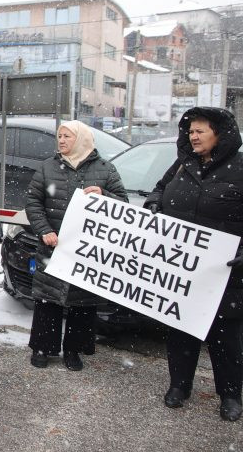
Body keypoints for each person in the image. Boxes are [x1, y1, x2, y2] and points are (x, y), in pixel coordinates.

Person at [144, 107, 243, 422]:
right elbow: (158, 190)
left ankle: (230, 395)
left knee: (224, 337)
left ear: (220, 133)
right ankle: (179, 386)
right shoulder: (181, 165)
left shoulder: (241, 168)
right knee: (181, 331)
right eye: (190, 131)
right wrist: (154, 204)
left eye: (200, 130)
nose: (193, 136)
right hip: (183, 273)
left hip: (226, 274)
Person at [24, 120, 127, 371]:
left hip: (86, 251)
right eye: (59, 136)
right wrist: (44, 230)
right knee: (48, 298)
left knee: (82, 302)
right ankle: (43, 347)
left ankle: (73, 349)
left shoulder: (105, 169)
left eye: (67, 136)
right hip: (53, 245)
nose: (61, 141)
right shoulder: (48, 167)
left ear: (81, 139)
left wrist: (104, 195)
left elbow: (123, 204)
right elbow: (33, 202)